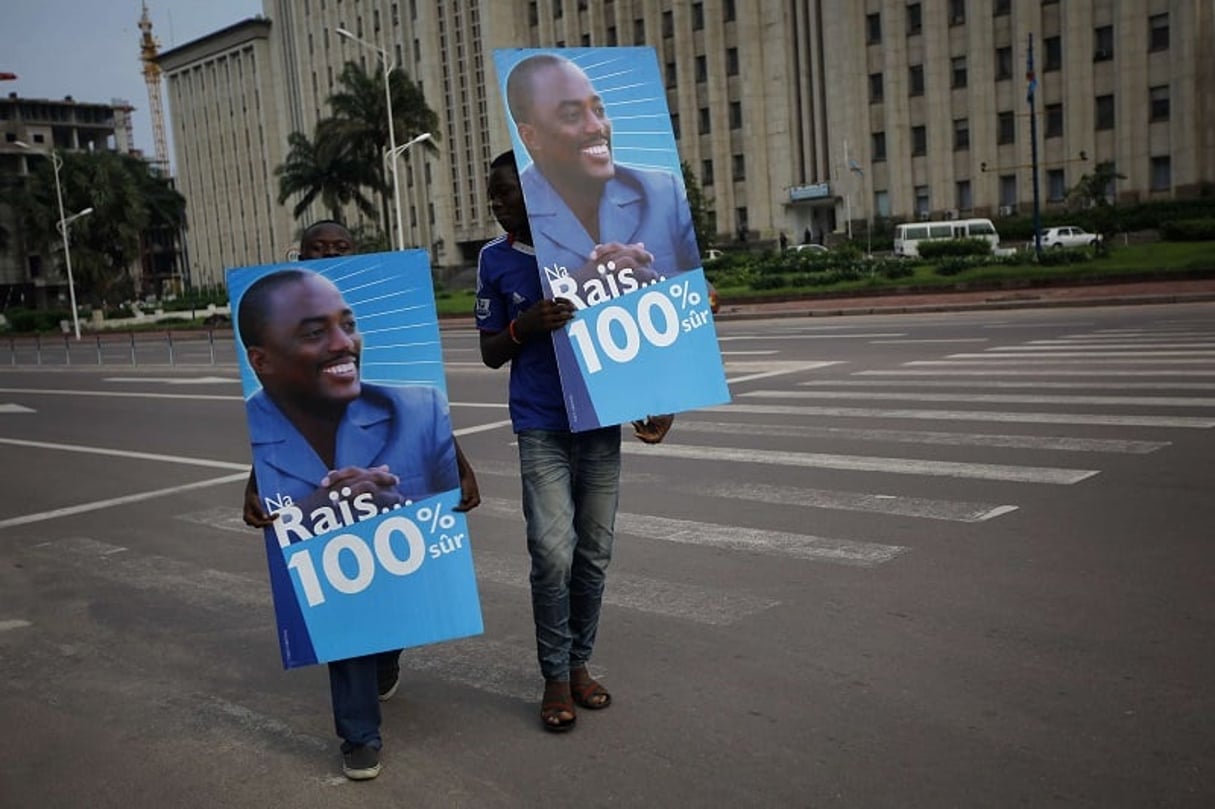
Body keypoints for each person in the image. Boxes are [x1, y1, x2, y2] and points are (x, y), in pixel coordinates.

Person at [239, 220, 480, 781]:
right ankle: (358, 736)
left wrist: (460, 468)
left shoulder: (414, 406)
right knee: (344, 617)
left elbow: (439, 437)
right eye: (312, 332)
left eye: (346, 325)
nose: (343, 343)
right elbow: (266, 447)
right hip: (326, 546)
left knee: (389, 611)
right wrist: (256, 488)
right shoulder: (259, 411)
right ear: (262, 358)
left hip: (397, 550)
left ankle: (387, 655)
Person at [475, 150, 673, 733]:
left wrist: (656, 402)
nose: (498, 201)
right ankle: (555, 677)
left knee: (593, 554)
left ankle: (580, 664)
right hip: (540, 425)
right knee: (552, 552)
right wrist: (523, 326)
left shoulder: (596, 249)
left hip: (598, 422)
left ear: (537, 193)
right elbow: (490, 352)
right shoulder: (493, 260)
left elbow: (638, 329)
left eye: (508, 191)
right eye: (493, 193)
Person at [504, 53, 701, 296]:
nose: (597, 126)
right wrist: (586, 285)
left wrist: (653, 283)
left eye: (598, 110)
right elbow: (515, 303)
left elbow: (705, 293)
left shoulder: (664, 193)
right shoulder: (519, 211)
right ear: (530, 137)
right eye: (572, 116)